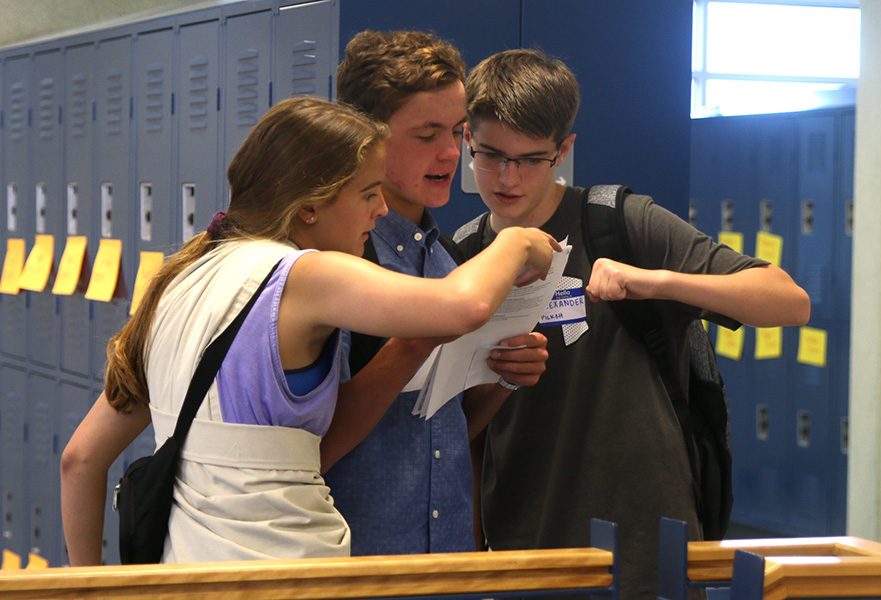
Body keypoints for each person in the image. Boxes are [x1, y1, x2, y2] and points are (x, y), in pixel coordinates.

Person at [60, 96, 559, 566]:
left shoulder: (183, 279)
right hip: (283, 571)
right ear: (309, 208)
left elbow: (80, 460)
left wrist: (84, 588)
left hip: (190, 573)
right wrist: (514, 242)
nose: (381, 210)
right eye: (367, 193)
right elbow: (464, 304)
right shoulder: (304, 275)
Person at [453, 49, 811, 599]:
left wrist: (657, 281)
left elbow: (787, 302)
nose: (507, 177)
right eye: (490, 155)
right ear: (466, 141)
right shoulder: (461, 255)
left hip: (643, 541)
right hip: (522, 539)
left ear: (564, 151)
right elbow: (456, 429)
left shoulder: (618, 221)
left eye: (531, 159)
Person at [321, 30, 550, 556]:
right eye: (427, 135)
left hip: (445, 557)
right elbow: (313, 446)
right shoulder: (335, 264)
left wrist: (501, 379)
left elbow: (444, 429)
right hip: (358, 558)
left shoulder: (449, 257)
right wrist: (422, 337)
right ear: (365, 139)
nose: (451, 153)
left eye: (458, 131)